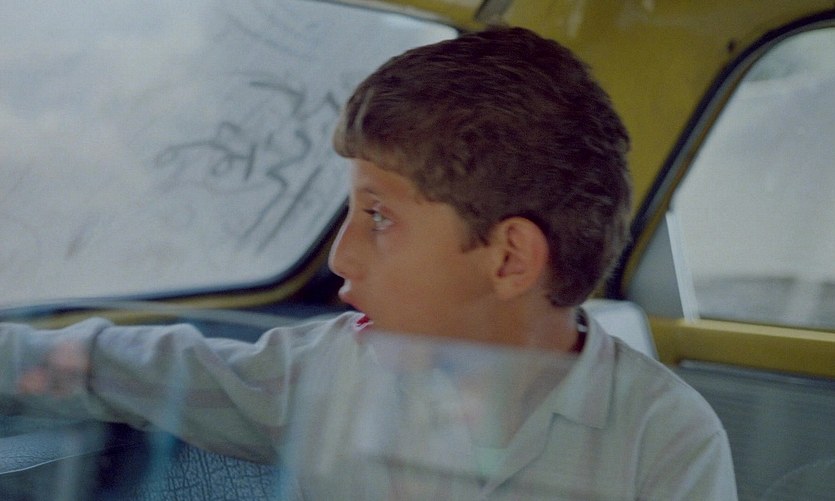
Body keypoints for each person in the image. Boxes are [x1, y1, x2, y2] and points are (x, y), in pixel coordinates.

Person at [0, 27, 737, 499]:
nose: (340, 254)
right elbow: (146, 367)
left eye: (379, 216)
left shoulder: (664, 440)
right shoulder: (329, 368)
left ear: (509, 257)